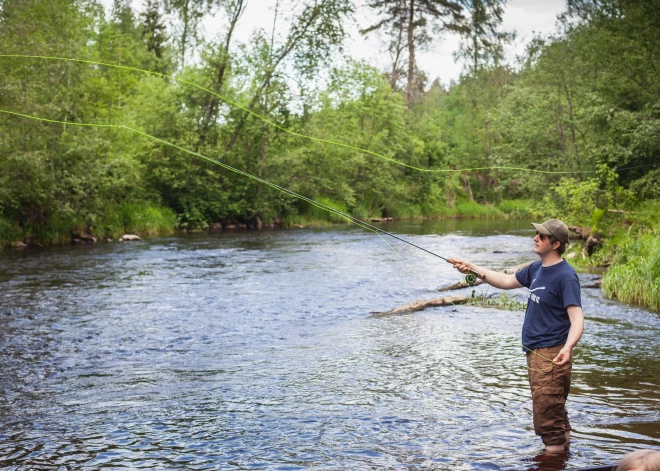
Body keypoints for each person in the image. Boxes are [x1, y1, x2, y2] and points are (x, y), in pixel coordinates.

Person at [449, 219, 584, 453]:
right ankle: (567, 459)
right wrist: (472, 268)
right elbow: (505, 281)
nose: (535, 238)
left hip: (552, 355)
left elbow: (577, 318)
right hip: (536, 353)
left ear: (555, 244)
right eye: (536, 234)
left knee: (548, 420)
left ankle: (553, 463)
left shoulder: (566, 276)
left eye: (541, 236)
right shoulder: (536, 269)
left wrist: (568, 347)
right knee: (555, 411)